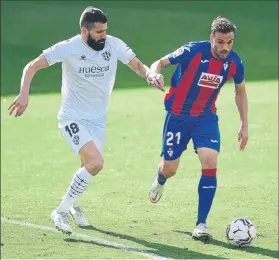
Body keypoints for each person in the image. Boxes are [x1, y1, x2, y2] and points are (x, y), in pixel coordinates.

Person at [8, 6, 164, 235]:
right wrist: (23, 94)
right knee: (96, 162)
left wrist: (150, 75)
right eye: (99, 32)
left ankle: (74, 204)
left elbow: (137, 65)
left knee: (87, 167)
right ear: (84, 31)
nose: (104, 36)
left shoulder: (113, 44)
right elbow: (32, 66)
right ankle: (61, 210)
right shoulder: (69, 47)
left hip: (98, 119)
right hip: (72, 117)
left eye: (105, 30)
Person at [148, 16, 248, 241]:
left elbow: (240, 91)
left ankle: (201, 224)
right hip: (178, 116)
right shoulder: (192, 51)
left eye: (230, 42)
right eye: (221, 42)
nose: (225, 47)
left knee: (210, 160)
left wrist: (244, 124)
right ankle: (160, 179)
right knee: (170, 169)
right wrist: (154, 73)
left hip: (205, 117)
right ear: (211, 37)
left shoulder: (234, 63)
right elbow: (161, 62)